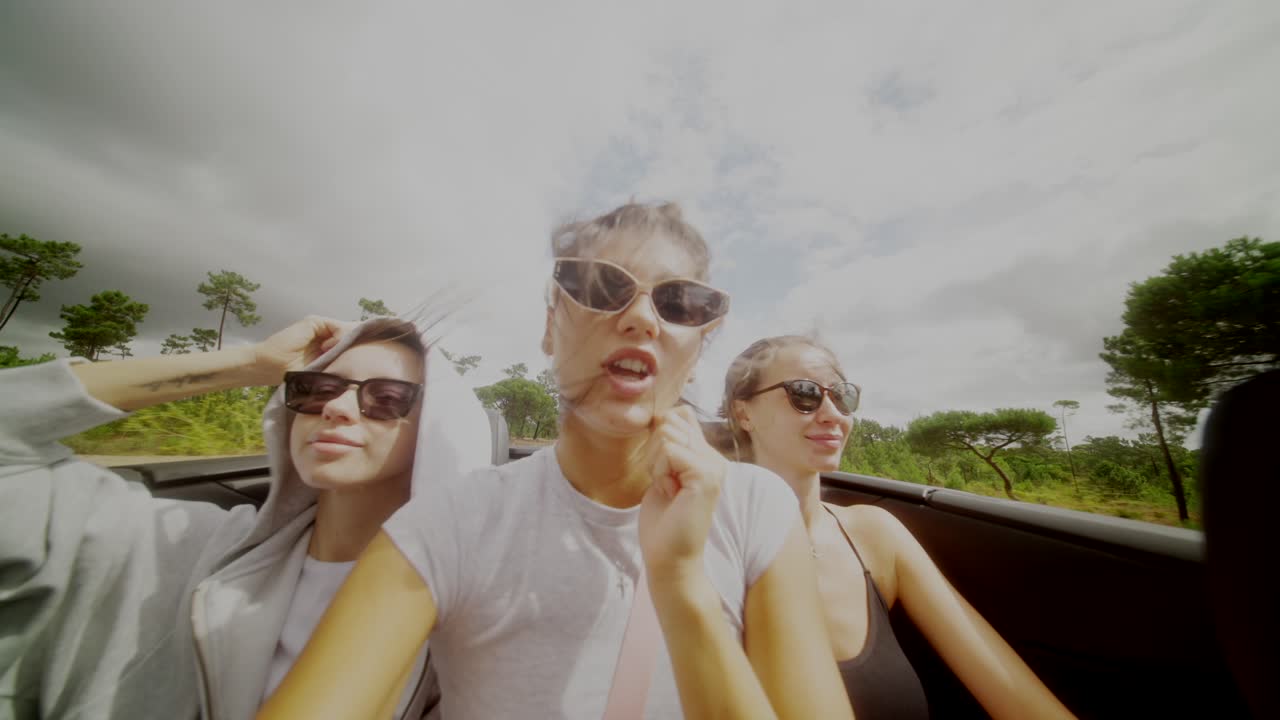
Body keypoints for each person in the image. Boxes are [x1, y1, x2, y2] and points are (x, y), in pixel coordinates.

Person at [260, 203, 855, 719]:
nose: (643, 318)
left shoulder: (755, 508)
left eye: (680, 303)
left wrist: (681, 588)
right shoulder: (452, 526)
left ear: (699, 346)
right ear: (550, 326)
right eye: (601, 287)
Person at [0, 315, 494, 719]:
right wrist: (250, 364)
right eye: (315, 388)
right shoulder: (189, 544)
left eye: (386, 398)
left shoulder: (461, 629)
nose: (338, 407)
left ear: (437, 431)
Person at [717, 335, 1077, 719]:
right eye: (804, 394)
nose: (831, 413)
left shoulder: (874, 535)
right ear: (743, 413)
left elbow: (1009, 689)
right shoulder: (703, 547)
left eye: (842, 396)